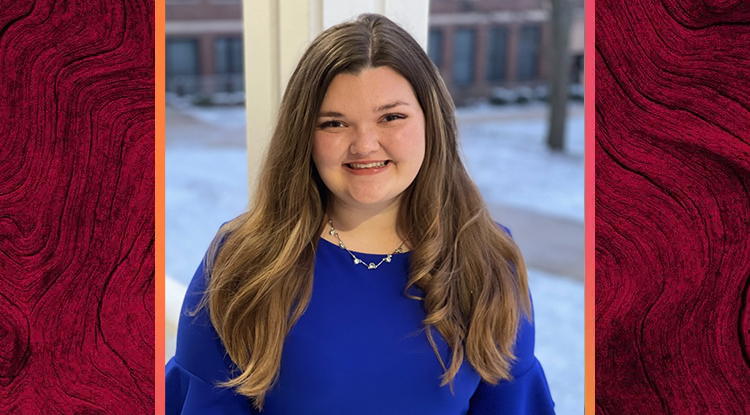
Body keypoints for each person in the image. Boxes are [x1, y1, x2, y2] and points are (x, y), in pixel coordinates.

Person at [165, 13, 555, 415]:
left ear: (431, 122)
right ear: (305, 137)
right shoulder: (244, 259)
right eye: (334, 124)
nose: (364, 145)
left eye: (391, 117)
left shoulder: (488, 260)